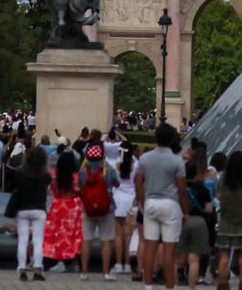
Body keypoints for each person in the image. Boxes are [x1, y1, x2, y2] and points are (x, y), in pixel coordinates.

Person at [136, 124, 187, 290]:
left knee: (150, 247)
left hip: (151, 202)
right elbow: (181, 188)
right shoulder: (177, 160)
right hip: (170, 204)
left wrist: (143, 203)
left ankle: (148, 285)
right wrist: (185, 212)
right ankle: (169, 286)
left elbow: (138, 183)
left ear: (155, 138)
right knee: (169, 250)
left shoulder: (145, 158)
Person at [8, 142, 51, 282]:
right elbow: (50, 178)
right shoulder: (44, 175)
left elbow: (16, 183)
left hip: (23, 209)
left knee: (23, 240)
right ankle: (38, 270)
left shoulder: (20, 173)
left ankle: (22, 270)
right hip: (39, 209)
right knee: (38, 240)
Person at [213, 154, 242, 290]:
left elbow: (218, 196)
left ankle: (222, 285)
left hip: (226, 222)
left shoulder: (224, 178)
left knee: (224, 258)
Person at [80, 142, 118, 280]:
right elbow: (117, 182)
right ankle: (106, 272)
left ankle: (84, 272)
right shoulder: (108, 169)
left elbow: (80, 185)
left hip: (88, 207)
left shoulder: (83, 171)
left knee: (86, 239)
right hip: (106, 207)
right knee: (106, 240)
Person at [179, 146, 213, 290]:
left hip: (182, 220)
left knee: (177, 255)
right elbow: (209, 209)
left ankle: (174, 280)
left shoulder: (180, 187)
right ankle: (192, 286)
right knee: (194, 258)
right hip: (199, 221)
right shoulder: (203, 189)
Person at [46, 151, 84, 275]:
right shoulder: (76, 176)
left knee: (59, 235)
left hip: (59, 206)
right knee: (76, 235)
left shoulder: (56, 177)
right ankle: (74, 263)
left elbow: (52, 189)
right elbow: (79, 189)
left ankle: (60, 262)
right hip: (74, 206)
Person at [111, 149, 138, 278]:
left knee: (118, 234)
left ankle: (118, 263)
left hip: (118, 198)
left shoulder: (116, 165)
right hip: (130, 200)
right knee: (128, 234)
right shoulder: (136, 165)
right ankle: (127, 264)